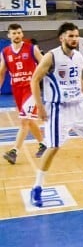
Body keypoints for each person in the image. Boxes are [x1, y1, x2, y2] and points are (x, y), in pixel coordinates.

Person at [28, 22, 83, 208]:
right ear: (62, 38)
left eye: (76, 36)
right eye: (71, 36)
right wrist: (40, 106)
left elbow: (78, 80)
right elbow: (34, 80)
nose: (74, 39)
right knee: (54, 146)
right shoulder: (51, 57)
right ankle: (37, 187)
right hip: (58, 108)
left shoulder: (79, 57)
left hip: (79, 106)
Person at [0, 24, 46, 164]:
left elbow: (44, 63)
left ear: (22, 34)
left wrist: (42, 78)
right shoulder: (5, 52)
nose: (17, 35)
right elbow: (2, 72)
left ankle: (14, 151)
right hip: (17, 90)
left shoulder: (32, 48)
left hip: (31, 89)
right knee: (29, 120)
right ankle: (43, 144)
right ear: (9, 35)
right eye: (14, 33)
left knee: (24, 121)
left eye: (19, 33)